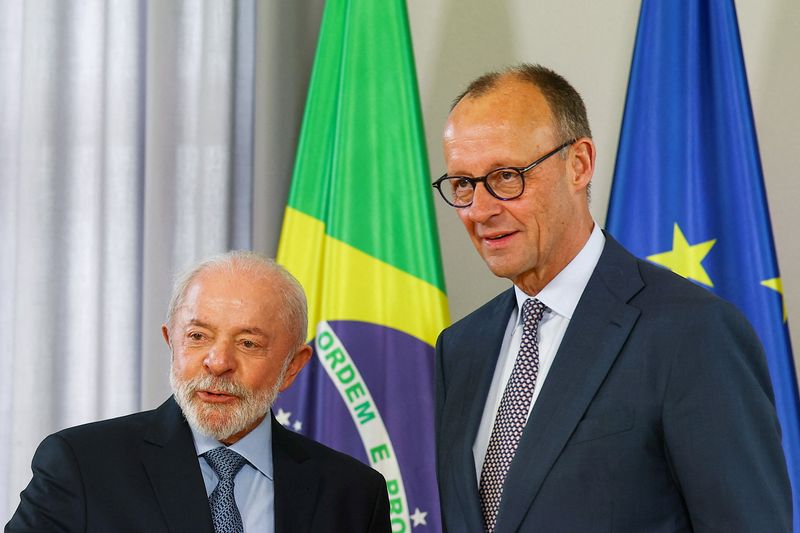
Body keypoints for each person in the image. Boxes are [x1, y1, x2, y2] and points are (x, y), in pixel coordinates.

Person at [432, 64, 791, 532]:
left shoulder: (692, 333)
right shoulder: (460, 349)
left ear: (578, 164)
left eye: (505, 176)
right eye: (463, 184)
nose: (479, 210)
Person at [7, 251, 391, 533]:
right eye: (197, 336)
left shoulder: (354, 494)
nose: (218, 361)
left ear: (293, 366)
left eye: (248, 344)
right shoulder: (81, 466)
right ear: (171, 343)